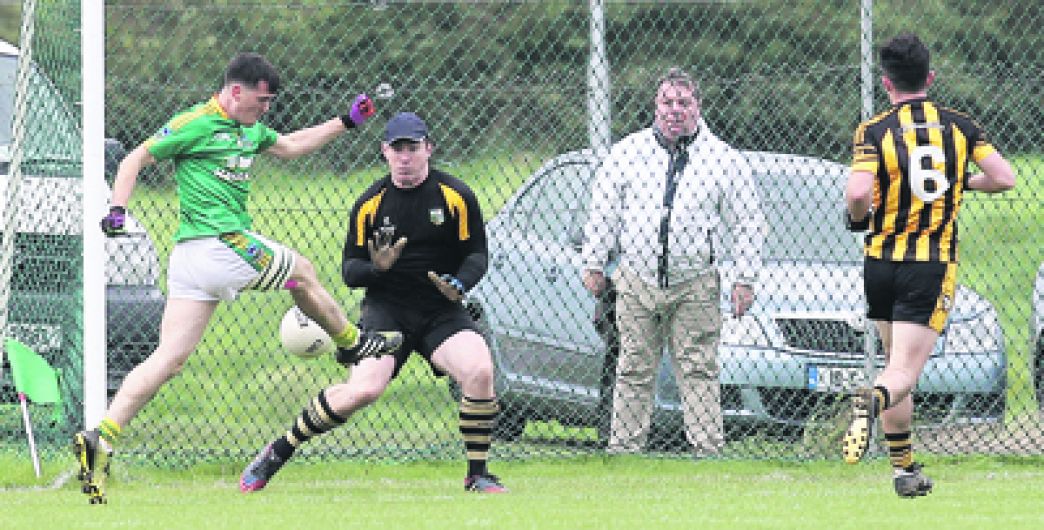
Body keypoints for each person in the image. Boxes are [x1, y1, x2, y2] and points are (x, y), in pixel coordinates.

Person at [72, 52, 404, 505]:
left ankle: (101, 438)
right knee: (302, 272)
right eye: (260, 100)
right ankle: (351, 343)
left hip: (194, 260)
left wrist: (344, 122)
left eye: (269, 102)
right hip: (217, 243)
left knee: (169, 359)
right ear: (234, 91)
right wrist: (117, 208)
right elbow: (135, 159)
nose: (265, 108)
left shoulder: (250, 129)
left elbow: (289, 146)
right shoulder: (195, 122)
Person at [240, 111, 508, 494]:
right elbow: (350, 271)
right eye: (397, 148)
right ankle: (277, 452)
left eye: (413, 148)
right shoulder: (371, 203)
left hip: (440, 311)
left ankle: (477, 474)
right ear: (384, 151)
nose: (405, 157)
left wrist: (460, 283)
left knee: (480, 371)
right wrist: (378, 270)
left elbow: (477, 254)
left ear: (428, 149)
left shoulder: (456, 195)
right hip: (388, 311)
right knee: (362, 391)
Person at [842, 32, 1016, 497]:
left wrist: (858, 219)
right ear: (930, 78)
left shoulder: (874, 129)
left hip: (879, 262)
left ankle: (904, 470)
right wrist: (963, 183)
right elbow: (1005, 177)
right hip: (929, 265)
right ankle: (869, 399)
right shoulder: (960, 126)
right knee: (901, 375)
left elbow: (858, 194)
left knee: (892, 365)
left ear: (886, 83)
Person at [581, 67, 765, 456]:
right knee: (633, 367)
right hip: (636, 278)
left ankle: (707, 449)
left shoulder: (723, 160)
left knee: (698, 368)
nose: (675, 110)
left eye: (684, 102)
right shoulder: (627, 153)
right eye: (668, 102)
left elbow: (747, 221)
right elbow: (603, 211)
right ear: (656, 105)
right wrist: (595, 262)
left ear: (698, 107)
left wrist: (745, 278)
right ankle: (624, 449)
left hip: (694, 280)